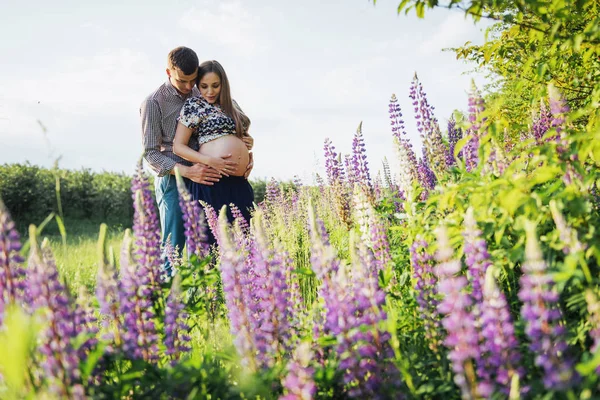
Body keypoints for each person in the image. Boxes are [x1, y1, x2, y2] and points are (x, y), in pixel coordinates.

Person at [141, 46, 222, 274]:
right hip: (173, 180)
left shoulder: (201, 91)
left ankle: (206, 305)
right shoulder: (154, 103)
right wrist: (187, 172)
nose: (189, 87)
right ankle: (170, 304)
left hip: (205, 179)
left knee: (205, 248)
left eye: (192, 80)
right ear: (168, 72)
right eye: (182, 81)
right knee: (173, 250)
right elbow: (151, 153)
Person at [173, 60, 255, 243]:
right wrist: (210, 161)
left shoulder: (232, 106)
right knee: (213, 243)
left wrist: (249, 150)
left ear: (223, 84)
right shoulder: (194, 105)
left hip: (239, 183)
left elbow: (244, 139)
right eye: (204, 86)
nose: (210, 91)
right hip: (212, 180)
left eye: (215, 86)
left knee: (246, 240)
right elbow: (178, 146)